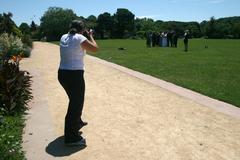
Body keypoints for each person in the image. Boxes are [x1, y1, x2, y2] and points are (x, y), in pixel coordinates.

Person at [58, 20, 98, 146]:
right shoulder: (80, 37)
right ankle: (71, 138)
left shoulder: (64, 36)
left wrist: (83, 34)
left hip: (62, 74)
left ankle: (78, 122)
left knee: (74, 101)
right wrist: (90, 35)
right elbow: (95, 49)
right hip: (74, 75)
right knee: (76, 105)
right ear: (82, 29)